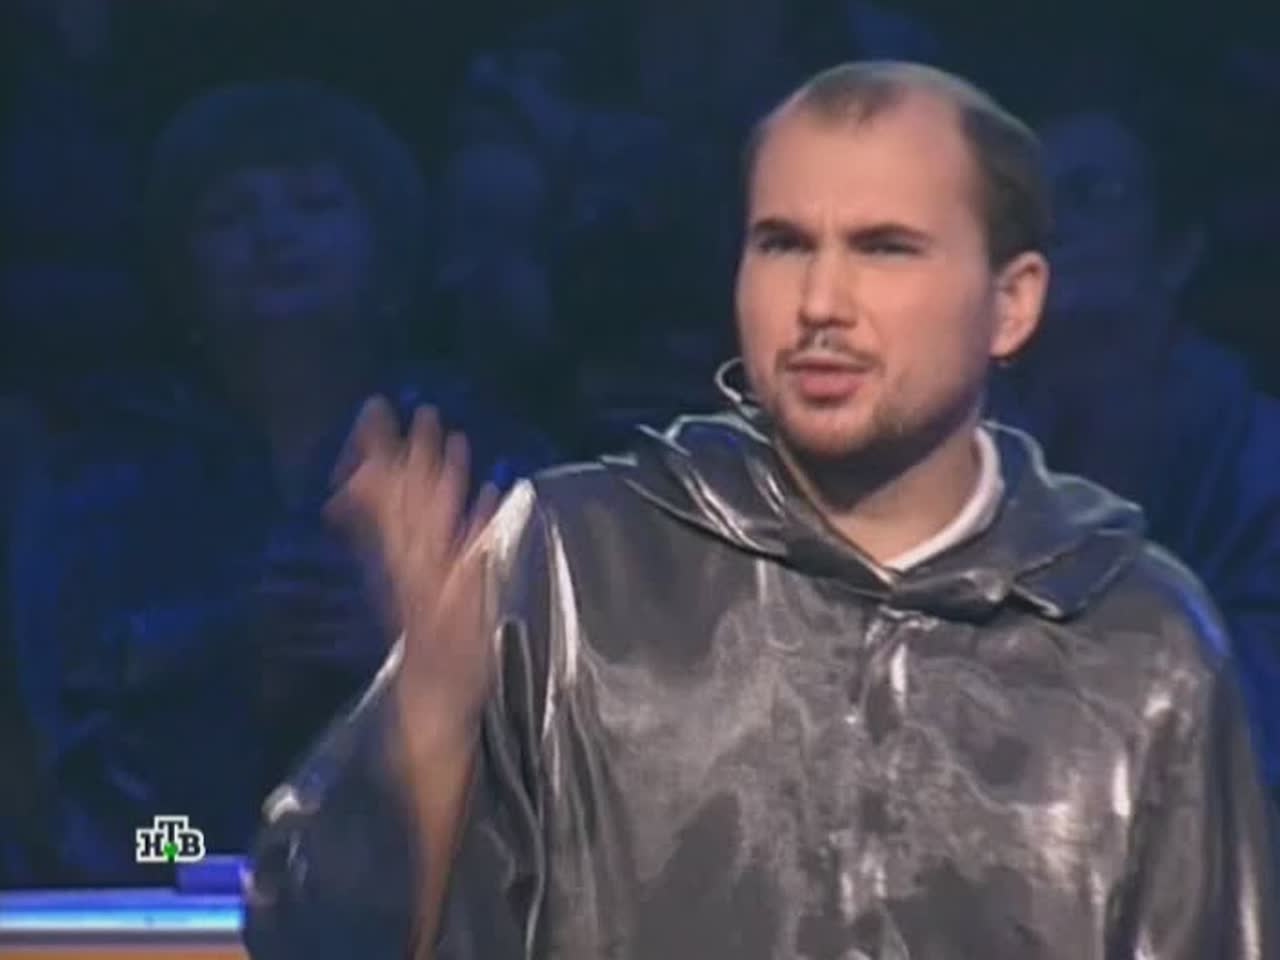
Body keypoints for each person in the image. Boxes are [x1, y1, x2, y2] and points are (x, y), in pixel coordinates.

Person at [243, 63, 1277, 958]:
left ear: (1011, 303)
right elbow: (310, 935)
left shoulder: (1137, 640)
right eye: (783, 243)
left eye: (884, 248)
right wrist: (434, 705)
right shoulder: (572, 567)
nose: (820, 304)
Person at [7, 81, 551, 886]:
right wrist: (230, 663)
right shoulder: (104, 487)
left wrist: (410, 661)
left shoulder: (484, 458)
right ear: (182, 274)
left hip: (445, 891)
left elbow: (570, 744)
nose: (272, 235)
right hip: (165, 892)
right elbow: (66, 804)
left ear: (386, 250)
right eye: (229, 215)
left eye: (314, 204)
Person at [986, 68, 1280, 791]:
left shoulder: (1260, 459)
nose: (1054, 226)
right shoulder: (956, 438)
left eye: (1091, 194)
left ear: (1176, 251)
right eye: (1032, 205)